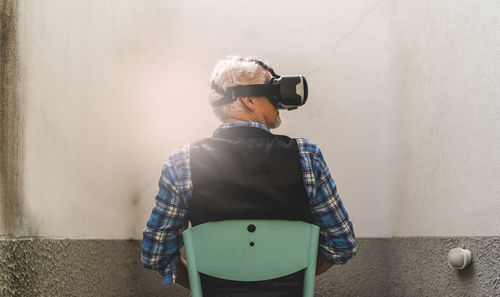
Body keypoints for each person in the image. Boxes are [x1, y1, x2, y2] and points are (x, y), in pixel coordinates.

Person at [141, 56, 357, 296]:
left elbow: (155, 253)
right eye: (272, 90)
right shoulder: (307, 156)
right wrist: (290, 273)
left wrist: (205, 284)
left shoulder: (182, 163)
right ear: (249, 99)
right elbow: (342, 243)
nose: (279, 102)